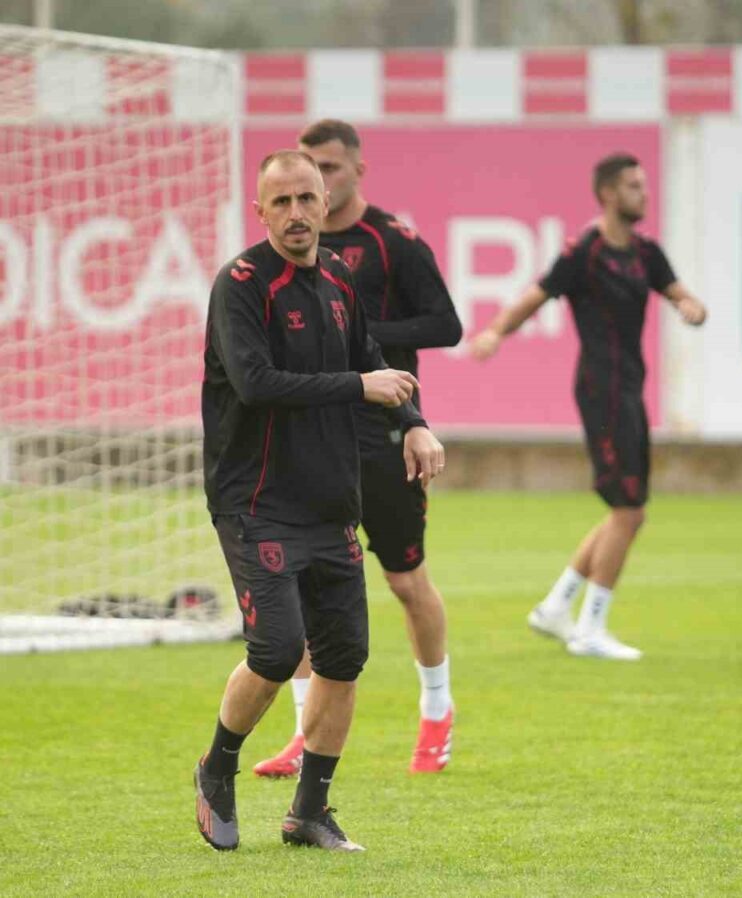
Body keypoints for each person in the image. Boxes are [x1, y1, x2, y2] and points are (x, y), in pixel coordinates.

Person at [195, 150, 445, 852]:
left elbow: (370, 356)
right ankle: (216, 767)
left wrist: (413, 421)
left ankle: (309, 812)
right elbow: (256, 383)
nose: (297, 213)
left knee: (343, 659)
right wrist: (360, 388)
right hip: (256, 501)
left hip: (331, 500)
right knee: (277, 650)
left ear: (326, 201)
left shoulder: (337, 276)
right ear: (261, 211)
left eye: (307, 198)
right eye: (282, 202)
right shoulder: (241, 285)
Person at [252, 120, 463, 779]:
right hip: (314, 440)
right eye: (306, 172)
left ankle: (437, 710)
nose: (316, 184)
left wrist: (359, 335)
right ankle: (301, 733)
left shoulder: (391, 241)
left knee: (405, 580)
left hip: (384, 436)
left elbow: (448, 324)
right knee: (302, 585)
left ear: (355, 172)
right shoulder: (282, 259)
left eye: (329, 169)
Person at [468, 153, 707, 661]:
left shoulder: (646, 253)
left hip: (631, 389)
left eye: (644, 184)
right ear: (608, 194)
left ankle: (557, 607)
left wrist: (691, 307)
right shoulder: (585, 252)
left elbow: (683, 296)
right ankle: (590, 628)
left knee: (627, 511)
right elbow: (535, 296)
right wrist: (495, 332)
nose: (644, 193)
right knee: (628, 512)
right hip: (601, 390)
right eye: (633, 186)